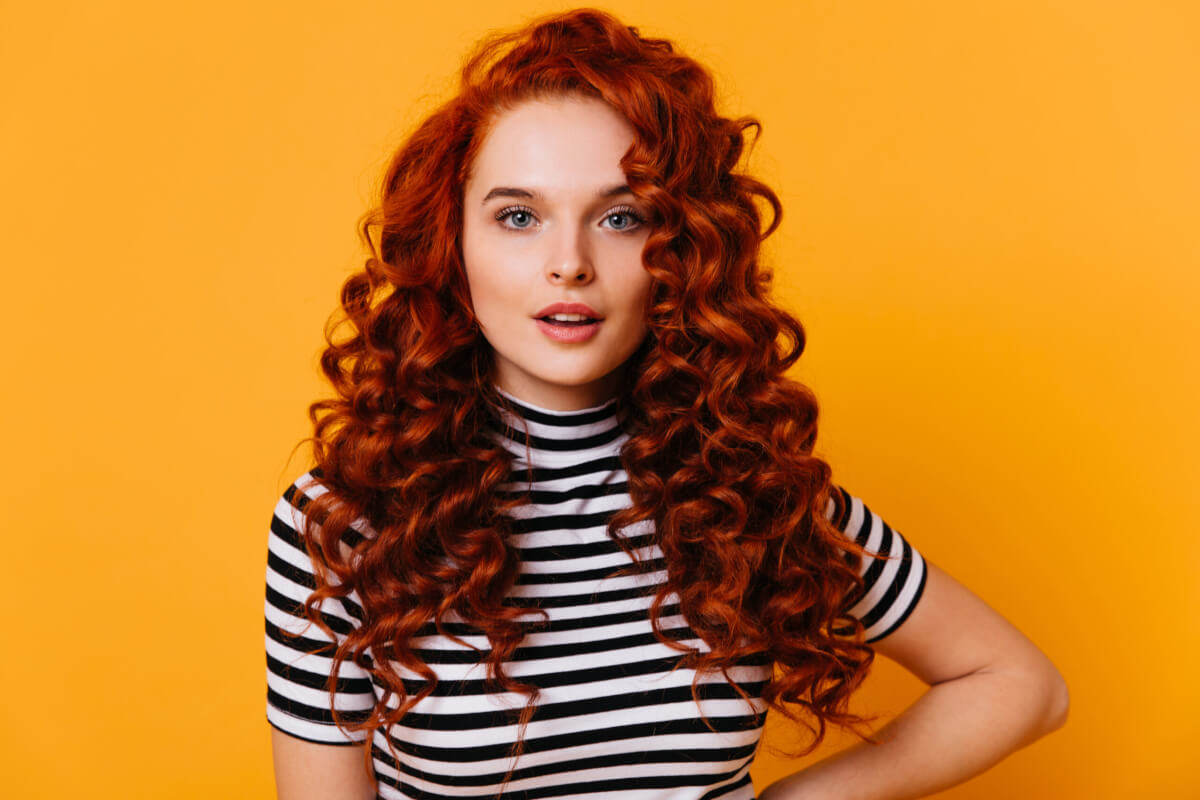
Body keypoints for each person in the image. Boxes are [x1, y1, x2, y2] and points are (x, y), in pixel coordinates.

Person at [264, 8, 1068, 800]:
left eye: (620, 218)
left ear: (679, 249)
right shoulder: (341, 521)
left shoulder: (746, 490)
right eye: (519, 216)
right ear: (453, 243)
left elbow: (1022, 684)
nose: (569, 263)